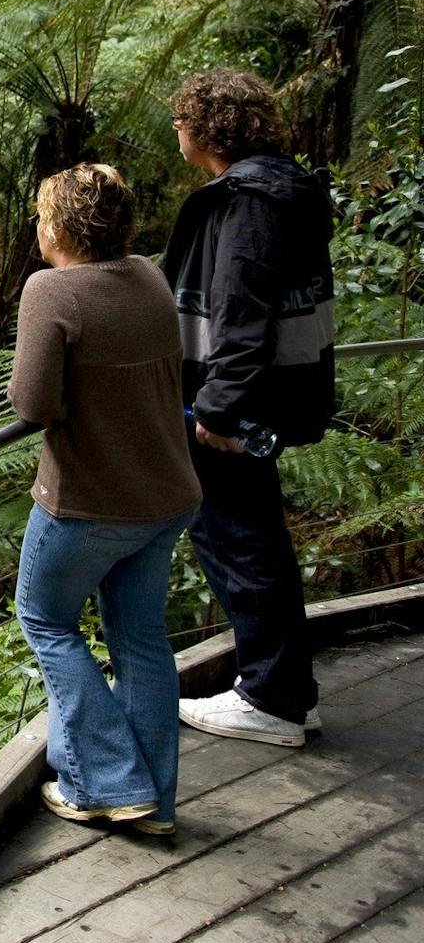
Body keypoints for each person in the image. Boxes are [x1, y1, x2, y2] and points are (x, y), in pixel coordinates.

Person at [9, 164, 200, 836]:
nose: (37, 228)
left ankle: (104, 784)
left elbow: (32, 404)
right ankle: (155, 803)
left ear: (58, 227)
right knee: (142, 639)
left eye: (39, 217)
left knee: (46, 621)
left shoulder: (52, 290)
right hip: (168, 492)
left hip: (89, 504)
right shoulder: (146, 275)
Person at [164, 68, 336, 747]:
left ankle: (272, 698)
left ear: (207, 130)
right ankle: (286, 689)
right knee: (255, 536)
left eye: (181, 121)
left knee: (239, 541)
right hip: (271, 393)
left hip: (238, 405)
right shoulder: (282, 190)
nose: (176, 132)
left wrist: (219, 407)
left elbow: (240, 312)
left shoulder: (248, 202)